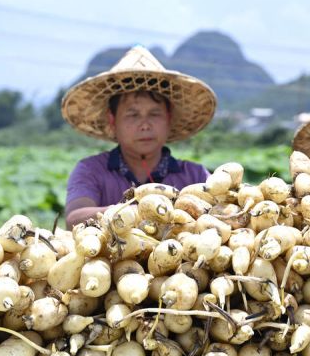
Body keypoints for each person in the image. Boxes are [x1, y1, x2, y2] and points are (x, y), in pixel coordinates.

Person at [61, 45, 217, 227]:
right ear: (113, 121)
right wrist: (142, 210)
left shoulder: (194, 175)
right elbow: (75, 218)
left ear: (169, 118)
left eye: (154, 114)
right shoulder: (91, 170)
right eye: (132, 115)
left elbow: (225, 210)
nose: (145, 125)